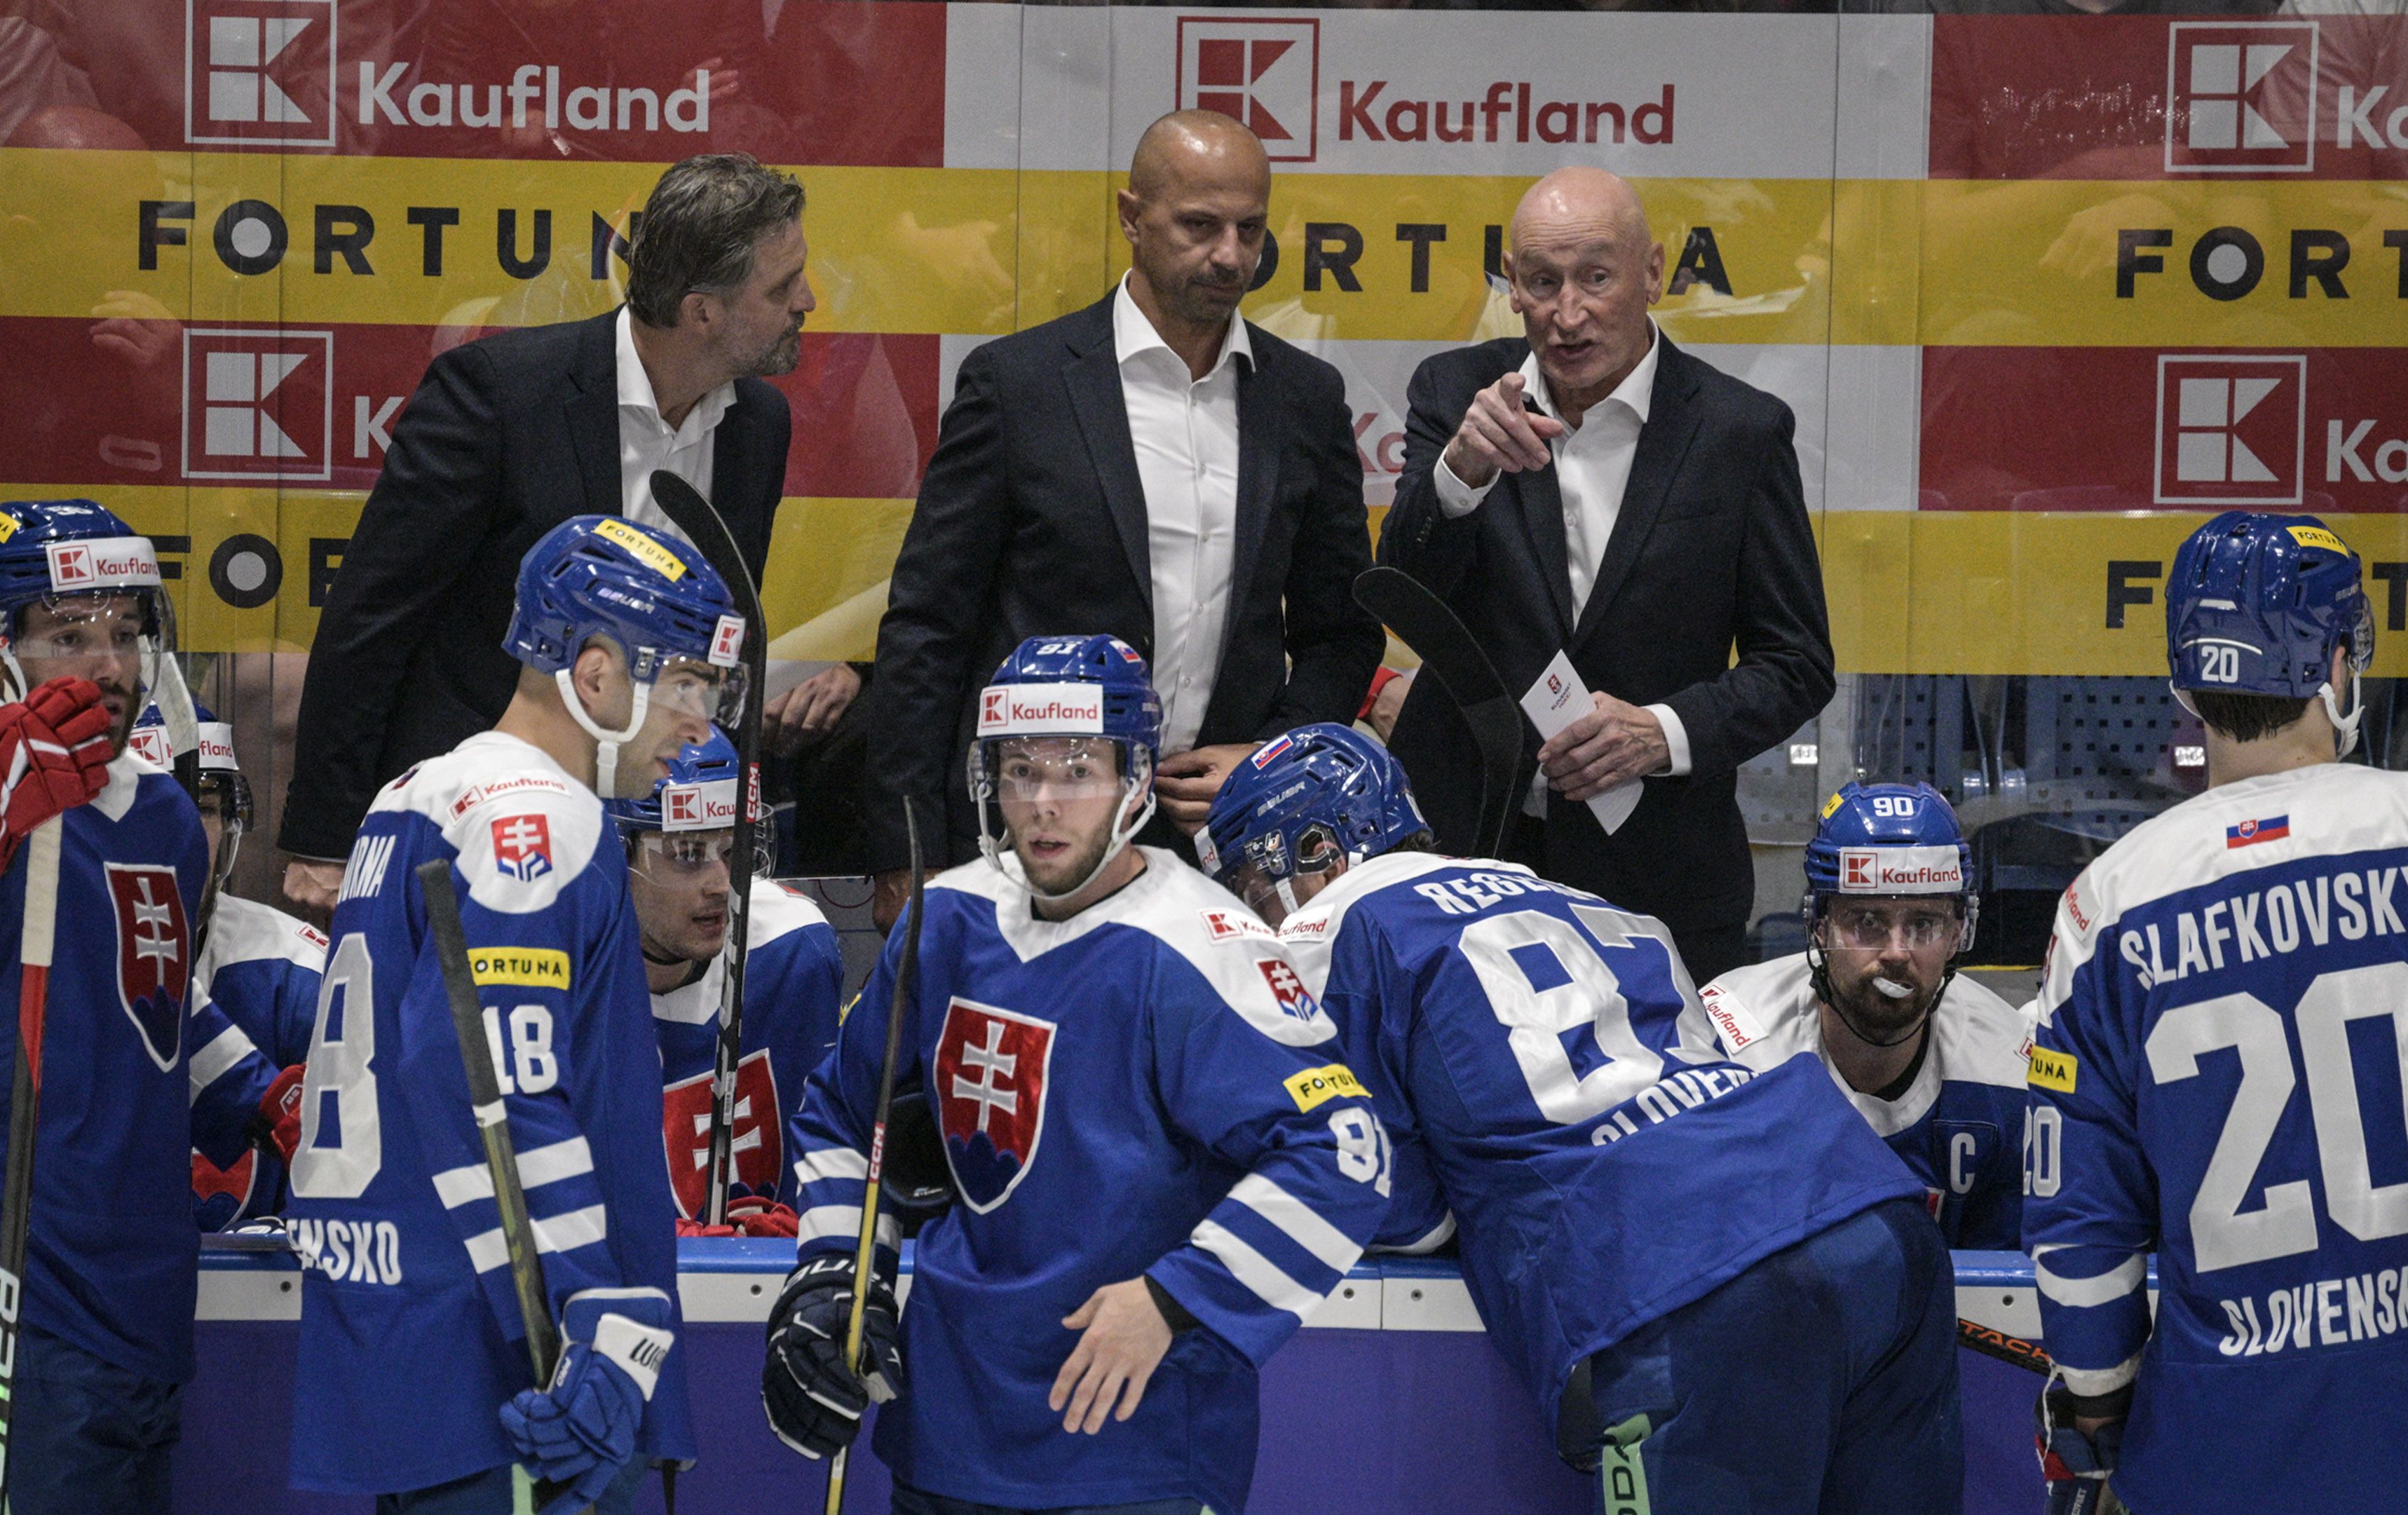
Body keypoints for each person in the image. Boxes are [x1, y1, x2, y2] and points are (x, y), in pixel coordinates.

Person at [1204, 723, 1959, 1515]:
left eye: (1249, 884)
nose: (1255, 914)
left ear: (1310, 853)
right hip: (1867, 1218)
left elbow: (1374, 1197)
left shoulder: (1325, 930)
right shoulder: (1588, 900)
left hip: (1686, 1282)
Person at [766, 635, 1389, 1515]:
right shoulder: (950, 917)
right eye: (1020, 772)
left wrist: (1178, 1296)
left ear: (1135, 780)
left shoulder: (1204, 944)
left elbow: (1346, 1153)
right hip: (953, 1439)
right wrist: (841, 1270)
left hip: (1139, 1457)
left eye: (1076, 771)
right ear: (987, 782)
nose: (1045, 804)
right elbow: (841, 1112)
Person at [2028, 511, 2408, 1515]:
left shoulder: (2103, 907)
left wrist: (2095, 1413)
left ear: (2184, 680)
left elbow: (2079, 1220)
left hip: (2221, 1458)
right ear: (2339, 663)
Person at [286, 514, 742, 1515]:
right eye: (685, 680)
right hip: (515, 1368)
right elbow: (498, 1090)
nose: (702, 721)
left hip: (418, 1351)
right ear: (596, 674)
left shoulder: (420, 792)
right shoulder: (544, 818)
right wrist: (588, 1320)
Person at [279, 152, 841, 912]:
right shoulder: (500, 397)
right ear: (702, 311)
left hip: (652, 844)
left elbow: (716, 644)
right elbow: (372, 617)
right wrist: (325, 836)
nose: (808, 299)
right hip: (479, 824)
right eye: (783, 286)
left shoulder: (758, 426)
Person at [864, 108, 1381, 931]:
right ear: (1132, 218)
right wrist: (905, 847)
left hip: (1226, 842)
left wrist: (1269, 758)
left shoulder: (1306, 400)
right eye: (1200, 226)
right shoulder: (1019, 386)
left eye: (1250, 230)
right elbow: (929, 629)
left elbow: (1343, 632)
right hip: (1034, 831)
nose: (1230, 256)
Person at [1379, 165, 1834, 983]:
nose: (1569, 314)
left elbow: (1796, 665)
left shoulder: (1741, 433)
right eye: (1542, 282)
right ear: (1512, 286)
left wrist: (1661, 733)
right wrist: (1460, 472)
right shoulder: (1459, 395)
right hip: (1464, 850)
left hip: (1657, 875)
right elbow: (1406, 595)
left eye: (1597, 277)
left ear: (1654, 274)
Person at [0, 498, 270, 1515]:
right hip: (27, 1307)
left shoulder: (164, 809)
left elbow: (160, 1009)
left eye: (125, 629)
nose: (105, 664)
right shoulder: (10, 790)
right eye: (68, 634)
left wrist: (261, 1094)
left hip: (146, 1307)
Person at [1698, 782, 2029, 1249]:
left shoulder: (2009, 1073)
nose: (1896, 952)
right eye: (1867, 923)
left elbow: (2007, 1296)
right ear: (1818, 927)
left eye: (1924, 924)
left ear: (1958, 935)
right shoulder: (1726, 1044)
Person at [605, 726, 842, 1235]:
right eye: (687, 854)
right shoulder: (560, 981)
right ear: (611, 856)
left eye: (733, 852)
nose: (721, 884)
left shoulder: (792, 950)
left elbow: (828, 1151)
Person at [130, 704, 327, 1230]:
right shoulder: (47, 958)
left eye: (204, 806)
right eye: (153, 801)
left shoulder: (298, 971)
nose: (184, 830)